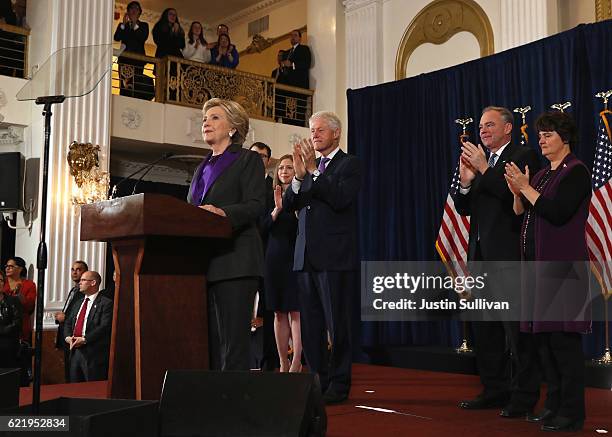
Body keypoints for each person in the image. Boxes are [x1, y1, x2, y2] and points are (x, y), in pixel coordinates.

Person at [504, 111, 591, 432]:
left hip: (562, 270)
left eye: (548, 134)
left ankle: (572, 411)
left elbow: (557, 212)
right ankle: (553, 404)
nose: (541, 139)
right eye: (540, 134)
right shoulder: (540, 175)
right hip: (535, 270)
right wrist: (517, 193)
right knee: (543, 344)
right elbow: (520, 215)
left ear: (565, 138)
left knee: (563, 345)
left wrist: (525, 188)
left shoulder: (577, 172)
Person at [454, 106, 541, 416]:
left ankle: (523, 396)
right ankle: (494, 389)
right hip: (480, 259)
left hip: (509, 259)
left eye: (490, 125)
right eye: (480, 126)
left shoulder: (523, 155)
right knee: (486, 331)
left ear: (508, 128)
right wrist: (466, 182)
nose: (483, 130)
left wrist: (484, 170)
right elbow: (465, 208)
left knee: (517, 333)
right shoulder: (481, 164)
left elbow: (514, 197)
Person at [284, 111, 361, 403]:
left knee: (337, 325)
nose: (314, 135)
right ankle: (319, 381)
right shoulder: (307, 168)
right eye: (311, 130)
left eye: (319, 130)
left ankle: (339, 386)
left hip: (335, 258)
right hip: (305, 258)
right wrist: (299, 178)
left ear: (336, 133)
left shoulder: (350, 164)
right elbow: (294, 204)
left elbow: (340, 199)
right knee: (311, 326)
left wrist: (314, 172)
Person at [186, 98, 265, 371]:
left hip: (236, 261)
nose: (206, 122)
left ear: (233, 128)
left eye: (215, 117)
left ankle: (235, 402)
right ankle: (212, 398)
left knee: (233, 342)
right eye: (205, 118)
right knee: (209, 340)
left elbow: (257, 205)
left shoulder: (247, 159)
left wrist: (222, 213)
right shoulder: (201, 167)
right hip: (203, 264)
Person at [263, 154, 302, 372]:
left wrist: (293, 210)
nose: (284, 171)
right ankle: (282, 361)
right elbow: (262, 227)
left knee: (295, 311)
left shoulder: (301, 195)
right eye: (281, 169)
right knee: (278, 312)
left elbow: (306, 226)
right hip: (273, 259)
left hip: (295, 258)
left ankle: (296, 361)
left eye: (289, 168)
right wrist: (276, 210)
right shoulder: (269, 197)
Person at [249, 141, 279, 371]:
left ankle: (269, 362)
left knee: (268, 313)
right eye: (254, 155)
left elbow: (268, 224)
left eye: (263, 156)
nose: (259, 159)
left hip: (269, 258)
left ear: (268, 161)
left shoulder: (274, 188)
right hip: (243, 257)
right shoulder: (242, 184)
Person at [64, 270, 113, 382]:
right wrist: (68, 337)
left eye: (83, 280)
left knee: (92, 389)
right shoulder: (78, 302)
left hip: (93, 354)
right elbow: (67, 322)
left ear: (93, 283)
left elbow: (104, 326)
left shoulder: (106, 303)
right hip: (75, 351)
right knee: (74, 388)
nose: (79, 283)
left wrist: (85, 339)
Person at [54, 260, 87, 382]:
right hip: (66, 333)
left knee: (75, 373)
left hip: (77, 336)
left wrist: (65, 317)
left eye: (79, 269)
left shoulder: (85, 292)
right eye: (73, 269)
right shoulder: (73, 290)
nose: (75, 272)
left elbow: (81, 314)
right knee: (68, 369)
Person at [113, 1, 151, 100]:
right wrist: (123, 24)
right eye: (132, 8)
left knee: (136, 84)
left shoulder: (144, 25)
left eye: (136, 9)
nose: (134, 10)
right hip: (124, 60)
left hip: (137, 60)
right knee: (124, 85)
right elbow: (117, 37)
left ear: (139, 13)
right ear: (128, 12)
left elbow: (142, 37)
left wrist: (134, 23)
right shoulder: (123, 25)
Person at [0, 271, 22, 369]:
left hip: (9, 346)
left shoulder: (13, 301)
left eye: (0, 280)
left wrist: (2, 330)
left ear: (3, 283)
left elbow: (17, 323)